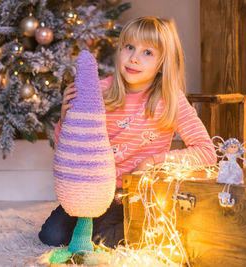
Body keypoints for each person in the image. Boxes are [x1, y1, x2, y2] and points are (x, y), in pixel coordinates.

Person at [39, 17, 217, 248]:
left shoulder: (171, 100)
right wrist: (66, 119)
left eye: (148, 53)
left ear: (163, 63)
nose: (134, 58)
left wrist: (154, 162)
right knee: (51, 236)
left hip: (132, 196)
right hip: (90, 192)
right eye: (129, 47)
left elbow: (206, 152)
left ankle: (143, 227)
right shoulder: (99, 91)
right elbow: (71, 150)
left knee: (101, 241)